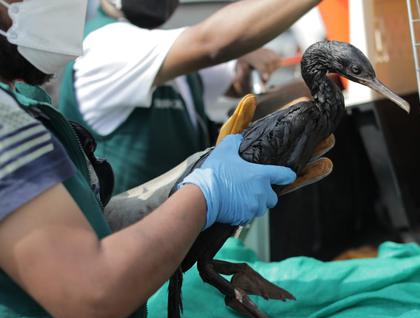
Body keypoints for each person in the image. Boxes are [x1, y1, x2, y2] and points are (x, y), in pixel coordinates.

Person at [0, 0, 320, 318]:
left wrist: (175, 190)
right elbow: (93, 293)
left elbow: (66, 234)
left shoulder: (15, 104)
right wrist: (206, 191)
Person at [59, 0, 284, 193]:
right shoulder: (105, 45)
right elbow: (212, 43)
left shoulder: (162, 50)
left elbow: (235, 81)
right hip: (126, 233)